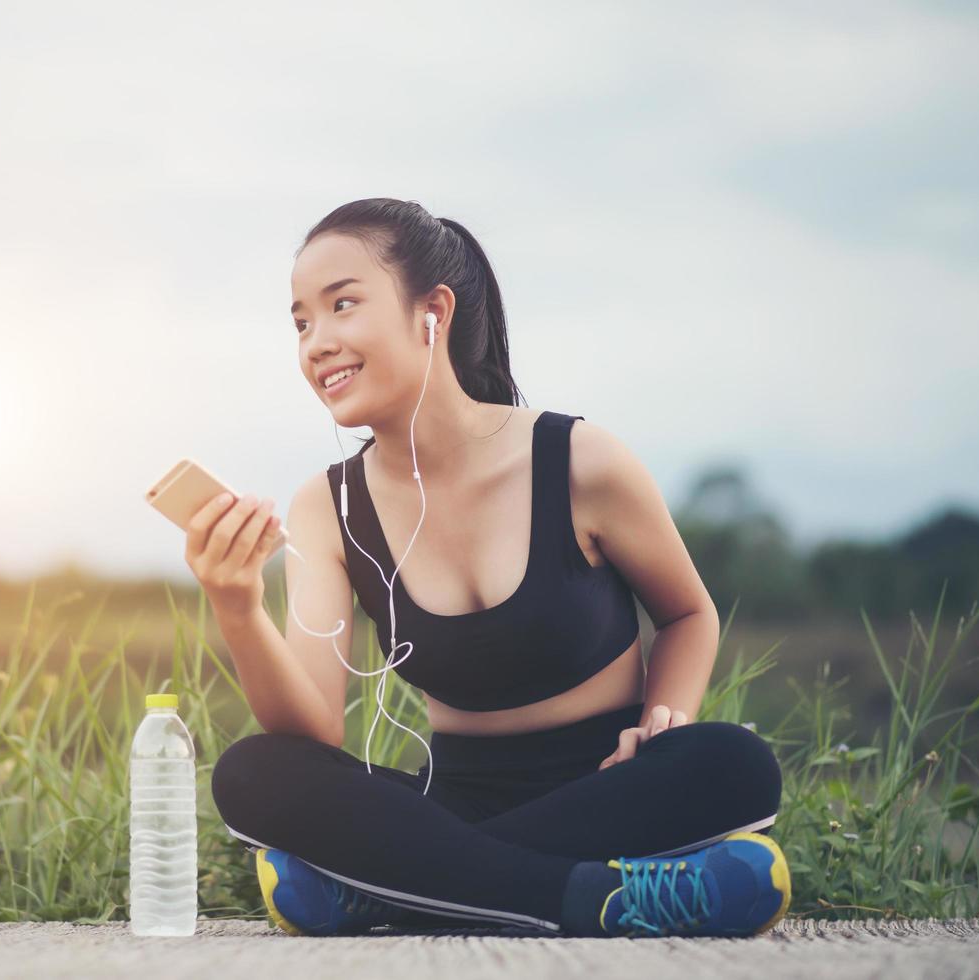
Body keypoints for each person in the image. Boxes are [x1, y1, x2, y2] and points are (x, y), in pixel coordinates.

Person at [183, 198, 788, 938]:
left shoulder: (578, 460)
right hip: (449, 802)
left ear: (430, 311)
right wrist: (237, 607)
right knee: (252, 772)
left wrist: (666, 719)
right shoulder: (329, 508)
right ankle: (597, 898)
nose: (316, 343)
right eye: (301, 322)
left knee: (732, 762)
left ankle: (393, 887)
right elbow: (312, 732)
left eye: (342, 305)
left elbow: (688, 614)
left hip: (610, 790)